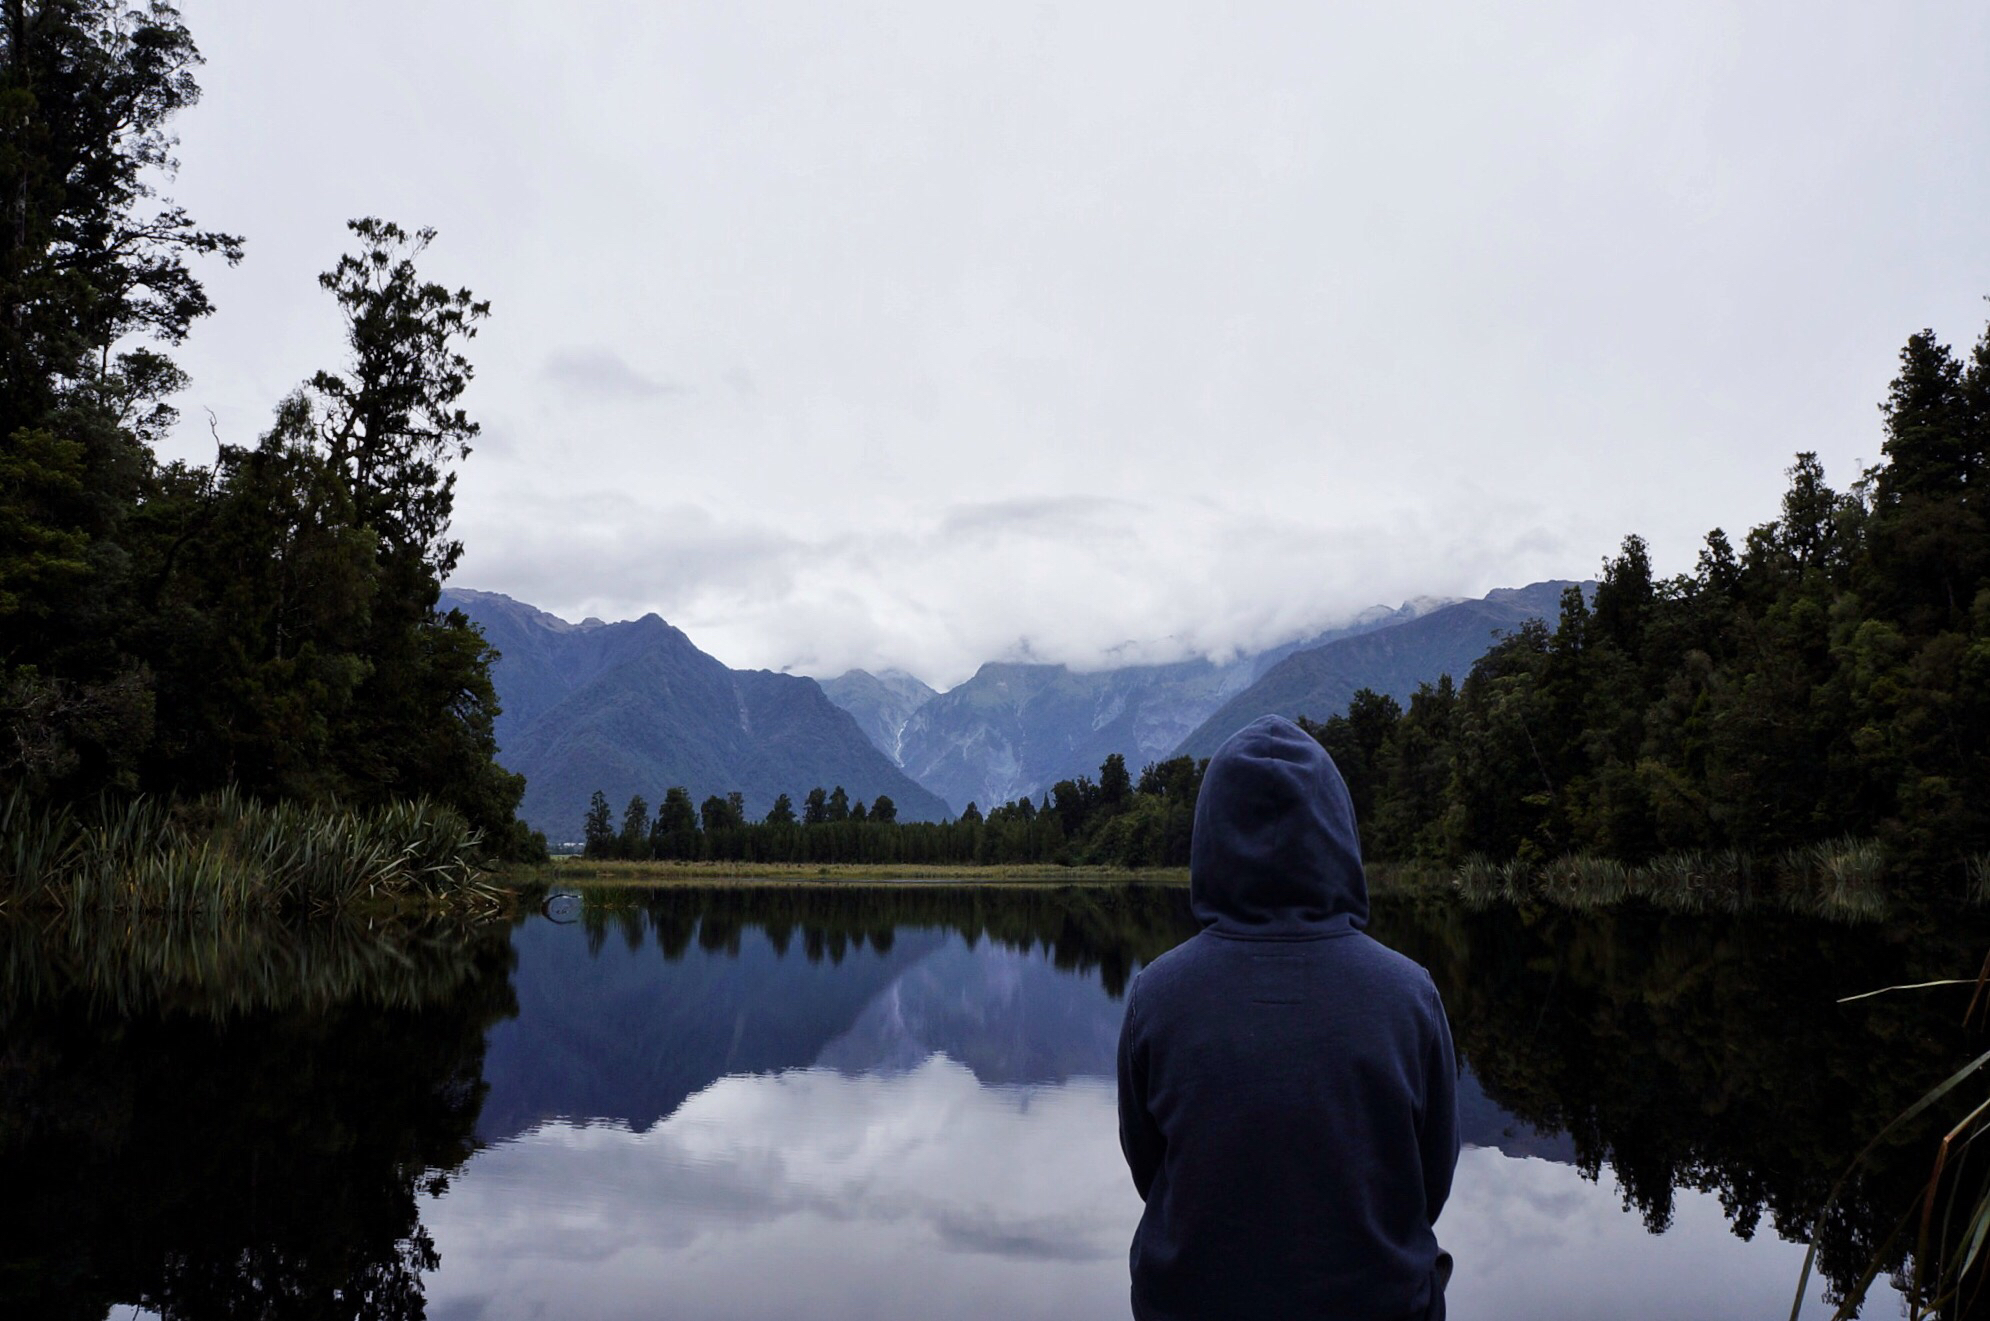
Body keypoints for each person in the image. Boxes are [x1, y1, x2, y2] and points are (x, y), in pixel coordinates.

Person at [1116, 714, 1459, 1320]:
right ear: (1337, 831)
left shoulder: (1156, 996)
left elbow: (1152, 1172)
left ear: (1210, 838)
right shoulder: (1410, 994)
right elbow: (1428, 1185)